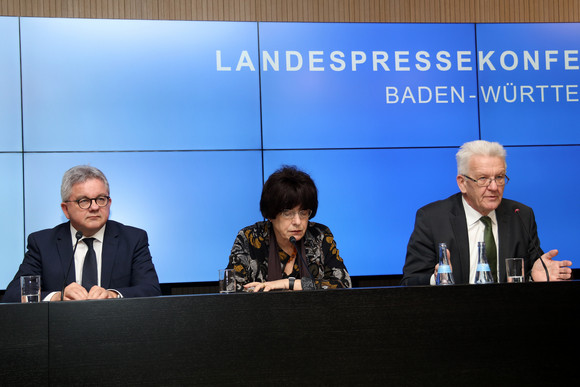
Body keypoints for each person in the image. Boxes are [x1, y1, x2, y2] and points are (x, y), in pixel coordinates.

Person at [401, 140, 572, 285]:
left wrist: (534, 278)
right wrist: (436, 279)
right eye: (483, 178)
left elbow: (535, 270)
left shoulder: (520, 215)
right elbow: (410, 281)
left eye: (499, 177)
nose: (494, 187)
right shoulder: (432, 219)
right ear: (462, 183)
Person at [2, 165, 161, 302]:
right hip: (61, 330)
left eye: (100, 199)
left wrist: (112, 295)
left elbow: (151, 290)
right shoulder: (42, 243)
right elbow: (13, 295)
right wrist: (58, 297)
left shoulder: (133, 239)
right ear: (66, 209)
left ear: (109, 203)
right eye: (84, 201)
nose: (94, 207)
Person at [227, 165, 351, 292]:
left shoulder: (320, 235)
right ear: (270, 214)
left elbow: (343, 284)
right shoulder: (250, 238)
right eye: (287, 213)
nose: (297, 222)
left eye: (303, 212)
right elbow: (232, 290)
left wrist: (288, 283)